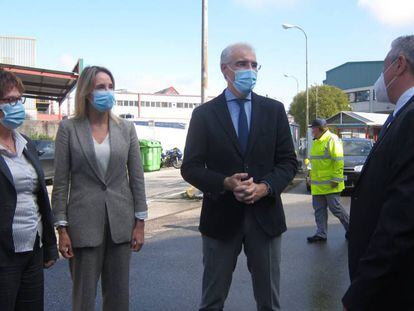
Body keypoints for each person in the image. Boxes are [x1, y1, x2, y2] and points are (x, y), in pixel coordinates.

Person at [181, 43, 297, 311]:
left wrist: (265, 187)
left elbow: (289, 162)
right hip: (220, 219)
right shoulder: (204, 115)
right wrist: (224, 182)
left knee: (269, 302)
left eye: (254, 64)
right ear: (225, 70)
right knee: (212, 301)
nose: (250, 70)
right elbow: (190, 167)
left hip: (265, 219)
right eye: (242, 64)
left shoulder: (274, 110)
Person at [51, 66, 147, 311]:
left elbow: (136, 178)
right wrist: (61, 228)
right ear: (86, 92)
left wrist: (140, 223)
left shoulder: (126, 129)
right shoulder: (69, 129)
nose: (108, 92)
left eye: (110, 86)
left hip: (120, 224)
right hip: (82, 226)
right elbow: (61, 182)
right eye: (101, 87)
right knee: (83, 299)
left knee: (118, 298)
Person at [342, 35, 414, 310]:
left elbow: (401, 220)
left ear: (399, 65)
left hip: (391, 288)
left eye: (383, 68)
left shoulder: (410, 118)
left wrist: (361, 291)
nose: (380, 78)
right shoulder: (400, 115)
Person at [0, 70, 58, 310]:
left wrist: (49, 245)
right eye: (8, 100)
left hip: (32, 250)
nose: (16, 105)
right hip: (4, 255)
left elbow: (40, 197)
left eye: (18, 99)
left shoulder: (26, 144)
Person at [306, 118, 349, 243]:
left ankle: (351, 229)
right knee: (319, 210)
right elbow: (315, 160)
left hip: (331, 183)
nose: (312, 131)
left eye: (313, 128)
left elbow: (338, 160)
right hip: (318, 185)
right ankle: (321, 234)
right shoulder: (317, 141)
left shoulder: (332, 139)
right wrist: (309, 167)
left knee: (336, 209)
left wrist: (336, 178)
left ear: (319, 129)